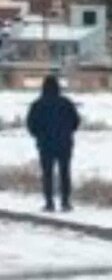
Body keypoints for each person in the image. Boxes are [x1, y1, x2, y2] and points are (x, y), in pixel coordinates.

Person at [26, 76, 80, 212]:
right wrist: (68, 133)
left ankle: (49, 203)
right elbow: (76, 121)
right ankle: (65, 202)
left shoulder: (37, 105)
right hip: (64, 144)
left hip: (45, 144)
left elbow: (31, 124)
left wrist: (39, 136)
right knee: (65, 172)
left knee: (47, 173)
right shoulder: (66, 103)